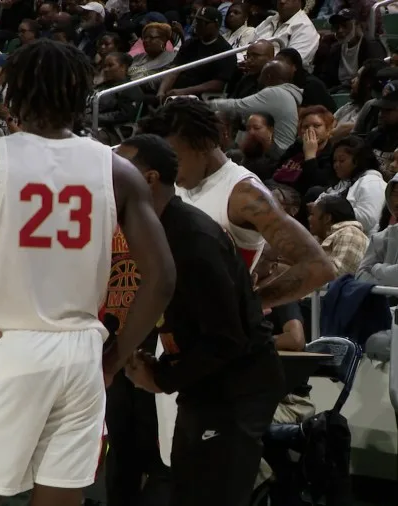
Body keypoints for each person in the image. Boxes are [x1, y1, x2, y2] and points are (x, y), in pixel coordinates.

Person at [0, 40, 176, 506]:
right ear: (80, 98)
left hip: (15, 348)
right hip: (83, 350)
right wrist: (114, 355)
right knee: (62, 494)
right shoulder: (119, 171)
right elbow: (163, 277)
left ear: (13, 96)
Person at [117, 134, 285, 506]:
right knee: (188, 488)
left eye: (118, 171)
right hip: (205, 380)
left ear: (149, 179)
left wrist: (162, 377)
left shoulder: (193, 237)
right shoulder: (159, 228)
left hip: (236, 385)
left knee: (213, 493)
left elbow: (227, 337)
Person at [138, 99, 336, 301]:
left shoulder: (245, 193)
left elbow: (318, 267)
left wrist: (250, 308)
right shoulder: (175, 183)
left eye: (176, 160)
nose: (169, 170)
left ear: (205, 143)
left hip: (220, 328)